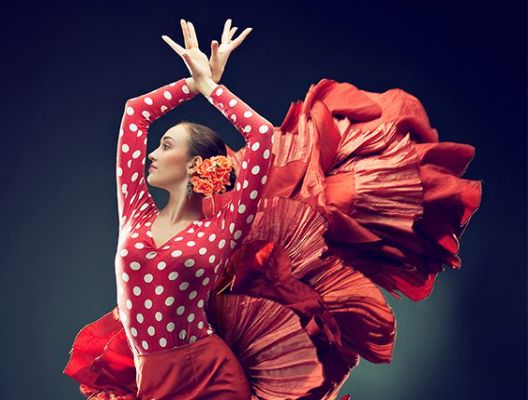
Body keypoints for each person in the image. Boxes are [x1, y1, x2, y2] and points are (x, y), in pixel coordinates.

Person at [63, 18, 483, 400]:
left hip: (212, 379)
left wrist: (213, 90)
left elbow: (262, 137)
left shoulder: (223, 228)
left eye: (167, 145)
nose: (153, 153)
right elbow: (134, 114)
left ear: (194, 166)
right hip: (151, 380)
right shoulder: (136, 212)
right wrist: (190, 83)